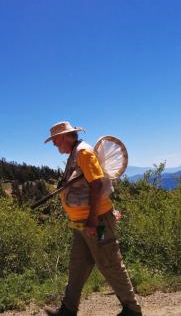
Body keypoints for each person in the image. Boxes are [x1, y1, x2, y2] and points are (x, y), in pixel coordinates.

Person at [43, 121, 142, 316]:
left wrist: (93, 219)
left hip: (96, 222)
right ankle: (68, 310)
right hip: (82, 223)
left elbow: (97, 185)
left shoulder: (83, 152)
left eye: (55, 140)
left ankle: (132, 309)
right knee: (78, 265)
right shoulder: (75, 153)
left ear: (64, 137)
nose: (54, 145)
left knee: (110, 262)